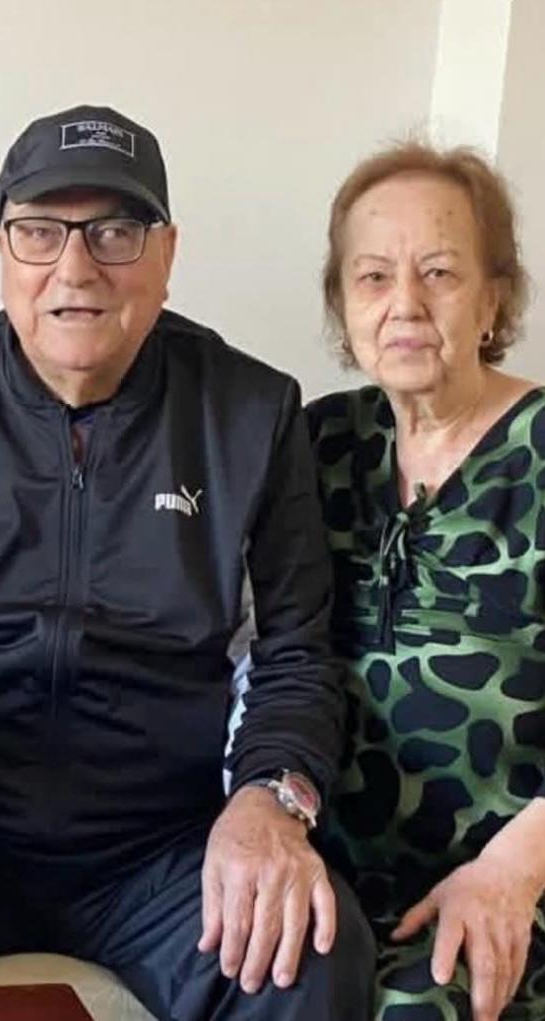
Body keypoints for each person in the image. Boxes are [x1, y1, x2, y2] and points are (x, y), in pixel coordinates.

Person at [0, 104, 374, 1020]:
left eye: (115, 232)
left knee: (313, 954)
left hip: (156, 857)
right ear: (3, 250)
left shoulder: (250, 415)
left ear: (167, 253)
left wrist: (269, 800)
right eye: (40, 232)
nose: (75, 268)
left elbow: (290, 653)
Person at [307, 141, 545, 1021]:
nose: (404, 303)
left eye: (439, 272)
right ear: (343, 305)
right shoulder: (321, 443)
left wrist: (514, 868)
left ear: (494, 298)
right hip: (331, 874)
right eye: (373, 276)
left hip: (513, 875)